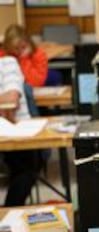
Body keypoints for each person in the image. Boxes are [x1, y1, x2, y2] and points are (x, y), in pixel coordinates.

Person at [0, 56, 44, 207]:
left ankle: (9, 212)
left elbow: (11, 99)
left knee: (26, 168)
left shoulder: (8, 63)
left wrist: (6, 102)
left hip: (16, 134)